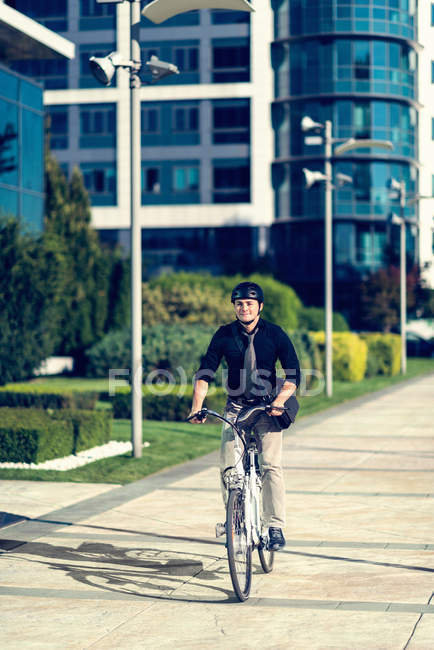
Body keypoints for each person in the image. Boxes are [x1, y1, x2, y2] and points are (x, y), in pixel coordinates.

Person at [188, 281, 300, 551]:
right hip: (236, 408)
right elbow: (205, 372)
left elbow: (294, 373)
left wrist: (279, 401)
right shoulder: (224, 335)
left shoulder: (275, 334)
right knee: (228, 467)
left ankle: (274, 526)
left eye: (249, 303)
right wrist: (196, 406)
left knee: (271, 465)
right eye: (239, 303)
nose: (244, 308)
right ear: (234, 307)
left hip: (266, 407)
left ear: (259, 306)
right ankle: (234, 519)